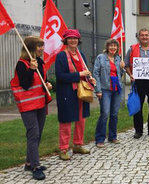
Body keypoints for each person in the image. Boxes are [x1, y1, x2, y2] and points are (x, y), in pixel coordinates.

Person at [10, 36, 52, 180]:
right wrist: (31, 70)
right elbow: (26, 84)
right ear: (30, 48)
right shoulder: (22, 64)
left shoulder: (39, 62)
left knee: (37, 134)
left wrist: (47, 84)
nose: (42, 48)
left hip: (40, 103)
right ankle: (35, 167)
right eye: (39, 46)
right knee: (33, 134)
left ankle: (29, 162)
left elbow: (42, 80)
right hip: (28, 105)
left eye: (42, 46)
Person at [55, 29, 96, 160]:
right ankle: (63, 149)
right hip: (67, 92)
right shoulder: (61, 56)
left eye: (75, 38)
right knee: (66, 121)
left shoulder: (81, 54)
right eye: (70, 38)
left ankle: (78, 145)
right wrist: (79, 75)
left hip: (81, 91)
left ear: (78, 40)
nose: (73, 41)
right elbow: (60, 76)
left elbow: (85, 72)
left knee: (81, 119)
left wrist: (90, 79)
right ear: (65, 40)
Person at [125, 28, 149, 139]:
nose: (144, 37)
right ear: (139, 37)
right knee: (138, 105)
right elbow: (126, 64)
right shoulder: (132, 49)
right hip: (139, 81)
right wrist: (130, 75)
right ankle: (138, 130)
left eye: (146, 35)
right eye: (142, 35)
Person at [93, 39, 125, 148]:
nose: (113, 48)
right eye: (111, 46)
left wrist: (122, 68)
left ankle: (112, 136)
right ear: (107, 47)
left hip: (116, 89)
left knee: (114, 114)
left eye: (115, 46)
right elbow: (96, 74)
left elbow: (119, 75)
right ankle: (100, 138)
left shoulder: (118, 58)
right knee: (105, 113)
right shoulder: (100, 58)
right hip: (105, 89)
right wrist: (98, 89)